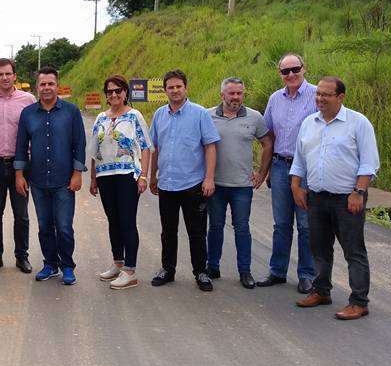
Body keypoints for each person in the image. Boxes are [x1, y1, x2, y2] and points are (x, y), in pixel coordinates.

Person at [292, 77, 380, 320]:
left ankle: (359, 301)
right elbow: (300, 158)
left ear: (340, 97)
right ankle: (321, 291)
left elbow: (369, 162)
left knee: (353, 251)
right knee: (319, 248)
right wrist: (296, 185)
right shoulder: (309, 123)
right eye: (318, 94)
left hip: (347, 199)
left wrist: (358, 192)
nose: (320, 99)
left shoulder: (358, 123)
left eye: (326, 95)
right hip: (317, 198)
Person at [148, 69, 221, 292]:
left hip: (193, 185)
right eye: (170, 87)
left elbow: (210, 147)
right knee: (168, 231)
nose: (175, 90)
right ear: (165, 90)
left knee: (196, 232)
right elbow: (154, 148)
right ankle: (167, 269)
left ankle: (201, 271)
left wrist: (209, 178)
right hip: (166, 184)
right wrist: (152, 176)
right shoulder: (159, 114)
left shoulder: (200, 114)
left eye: (179, 86)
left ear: (185, 88)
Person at [15, 67, 86, 286]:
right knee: (45, 226)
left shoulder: (71, 112)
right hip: (37, 180)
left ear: (57, 85)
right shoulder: (28, 113)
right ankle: (50, 264)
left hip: (64, 181)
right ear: (37, 87)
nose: (47, 88)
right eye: (43, 84)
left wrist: (77, 173)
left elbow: (79, 144)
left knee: (64, 226)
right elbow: (20, 146)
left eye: (50, 84)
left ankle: (67, 266)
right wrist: (19, 174)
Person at [86, 75, 153, 290]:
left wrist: (143, 175)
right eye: (110, 91)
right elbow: (94, 151)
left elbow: (145, 146)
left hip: (127, 176)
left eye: (118, 90)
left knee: (127, 221)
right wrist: (93, 178)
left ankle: (130, 271)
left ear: (125, 93)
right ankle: (118, 263)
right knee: (113, 221)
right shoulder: (100, 118)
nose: (114, 94)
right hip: (105, 177)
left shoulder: (134, 116)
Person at [206, 78, 273, 289]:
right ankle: (212, 267)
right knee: (215, 227)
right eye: (232, 93)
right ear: (222, 95)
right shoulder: (207, 116)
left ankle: (245, 271)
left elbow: (267, 143)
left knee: (242, 228)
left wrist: (262, 172)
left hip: (242, 187)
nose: (236, 97)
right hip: (215, 185)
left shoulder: (254, 117)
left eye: (240, 93)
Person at [259, 53, 318, 293]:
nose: (291, 75)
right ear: (280, 74)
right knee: (281, 223)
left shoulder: (317, 95)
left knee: (306, 225)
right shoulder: (275, 98)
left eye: (295, 69)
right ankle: (277, 271)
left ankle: (307, 275)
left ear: (304, 68)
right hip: (281, 165)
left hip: (306, 168)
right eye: (286, 71)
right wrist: (268, 168)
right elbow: (268, 134)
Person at [0, 58, 36, 274]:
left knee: (21, 214)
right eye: (0, 74)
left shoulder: (28, 99)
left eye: (8, 74)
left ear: (15, 76)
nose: (4, 78)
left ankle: (22, 256)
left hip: (20, 166)